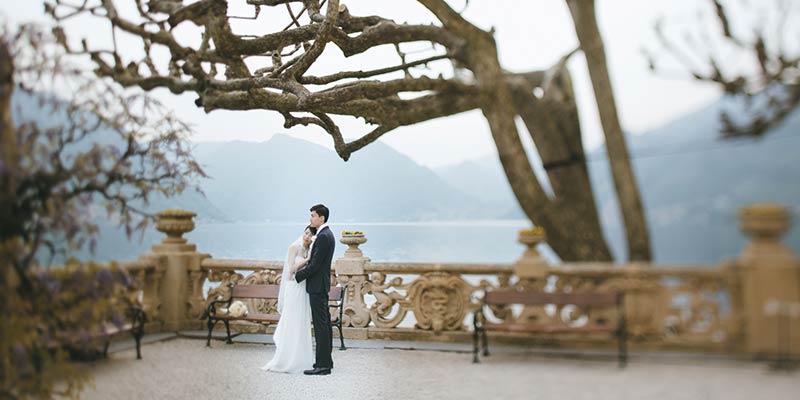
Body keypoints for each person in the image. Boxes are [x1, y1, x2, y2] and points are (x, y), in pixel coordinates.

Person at [261, 225, 316, 374]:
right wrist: (308, 259)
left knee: (301, 322)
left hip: (303, 288)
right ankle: (286, 359)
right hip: (294, 288)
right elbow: (291, 270)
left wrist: (309, 257)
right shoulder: (294, 247)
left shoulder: (308, 250)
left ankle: (301, 358)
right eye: (305, 233)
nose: (306, 236)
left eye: (310, 235)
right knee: (292, 321)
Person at [295, 204, 335, 376]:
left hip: (317, 287)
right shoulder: (327, 234)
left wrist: (297, 276)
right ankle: (326, 362)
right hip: (321, 285)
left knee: (321, 326)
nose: (311, 219)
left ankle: (323, 365)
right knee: (324, 324)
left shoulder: (324, 237)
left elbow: (315, 265)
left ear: (321, 218)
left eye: (313, 216)